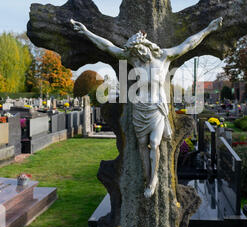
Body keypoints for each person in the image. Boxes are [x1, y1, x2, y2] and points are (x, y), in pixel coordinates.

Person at [70, 16, 223, 198]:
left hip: (156, 109)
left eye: (140, 50)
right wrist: (86, 32)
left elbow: (188, 44)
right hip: (139, 109)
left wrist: (209, 28)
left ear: (147, 46)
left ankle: (153, 180)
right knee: (142, 144)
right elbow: (107, 47)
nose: (138, 54)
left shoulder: (165, 56)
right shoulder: (133, 60)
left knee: (154, 143)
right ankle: (146, 176)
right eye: (135, 52)